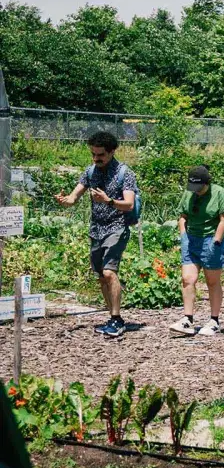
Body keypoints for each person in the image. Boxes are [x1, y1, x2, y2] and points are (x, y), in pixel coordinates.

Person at [54, 131, 138, 338]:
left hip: (116, 227)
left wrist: (108, 200)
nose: (95, 158)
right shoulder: (90, 171)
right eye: (93, 154)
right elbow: (75, 197)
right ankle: (112, 317)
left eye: (100, 155)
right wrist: (65, 200)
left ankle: (117, 319)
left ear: (111, 152)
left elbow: (129, 204)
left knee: (110, 272)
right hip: (96, 229)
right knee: (101, 277)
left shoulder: (124, 173)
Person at [169, 166, 224, 337]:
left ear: (207, 183)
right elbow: (182, 216)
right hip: (191, 239)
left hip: (211, 239)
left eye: (199, 188)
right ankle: (187, 319)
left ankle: (214, 320)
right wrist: (183, 235)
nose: (196, 191)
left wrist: (216, 241)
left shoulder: (219, 193)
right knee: (187, 279)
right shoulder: (189, 193)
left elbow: (223, 220)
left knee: (212, 281)